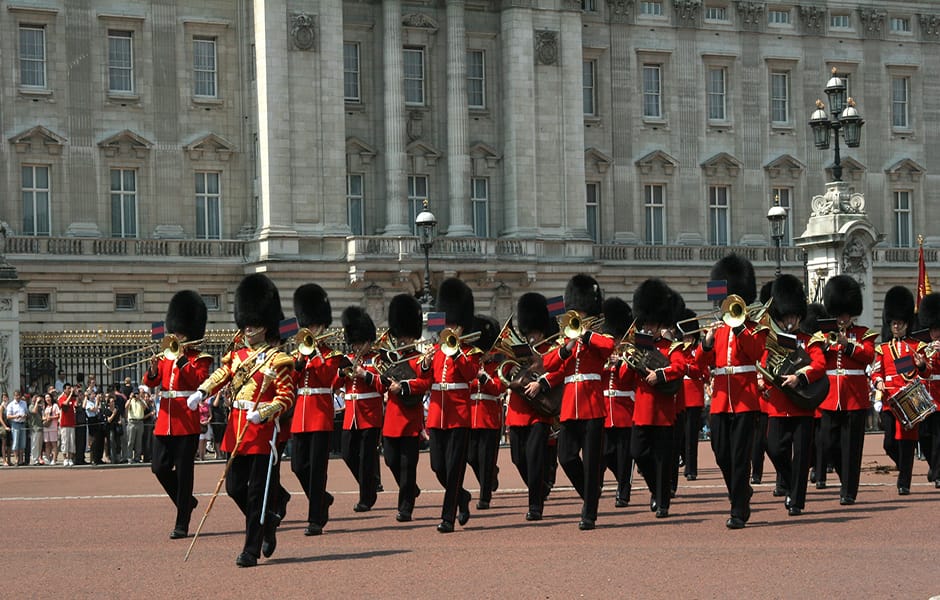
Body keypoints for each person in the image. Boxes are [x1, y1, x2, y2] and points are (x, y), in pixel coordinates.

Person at [191, 273, 295, 568]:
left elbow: (287, 398)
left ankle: (250, 549)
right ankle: (268, 521)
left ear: (266, 325)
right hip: (237, 426)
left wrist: (263, 412)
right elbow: (222, 375)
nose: (248, 328)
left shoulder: (278, 359)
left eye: (254, 323)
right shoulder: (237, 356)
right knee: (235, 487)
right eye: (246, 323)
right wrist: (202, 391)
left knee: (255, 493)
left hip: (261, 430)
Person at [542, 274, 615, 530]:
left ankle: (589, 513)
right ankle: (590, 496)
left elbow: (609, 346)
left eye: (582, 313)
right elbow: (548, 363)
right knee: (566, 457)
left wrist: (586, 337)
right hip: (570, 406)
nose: (578, 318)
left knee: (593, 461)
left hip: (592, 404)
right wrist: (567, 346)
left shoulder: (597, 335)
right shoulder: (567, 339)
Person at [701, 254, 767, 529]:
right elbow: (700, 365)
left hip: (744, 399)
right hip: (720, 401)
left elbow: (756, 352)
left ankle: (738, 509)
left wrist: (740, 329)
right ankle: (741, 492)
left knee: (740, 456)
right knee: (720, 452)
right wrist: (705, 344)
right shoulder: (716, 331)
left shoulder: (753, 328)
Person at [142, 290, 213, 539]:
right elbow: (152, 383)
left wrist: (183, 361)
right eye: (176, 331)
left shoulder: (200, 358)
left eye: (181, 333)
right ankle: (187, 502)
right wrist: (152, 370)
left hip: (187, 421)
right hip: (165, 420)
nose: (177, 336)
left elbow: (198, 381)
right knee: (159, 468)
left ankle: (182, 520)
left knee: (184, 473)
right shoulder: (165, 356)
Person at [760, 274, 827, 516]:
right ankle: (791, 483)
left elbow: (819, 365)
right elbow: (765, 367)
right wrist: (763, 385)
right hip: (778, 405)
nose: (790, 321)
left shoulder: (809, 341)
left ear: (799, 316)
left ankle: (796, 500)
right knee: (774, 448)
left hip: (801, 405)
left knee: (801, 455)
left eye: (793, 316)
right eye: (786, 316)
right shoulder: (773, 342)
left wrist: (800, 377)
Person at [419, 277, 481, 533]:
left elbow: (469, 375)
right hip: (437, 415)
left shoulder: (469, 352)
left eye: (455, 325)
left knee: (454, 468)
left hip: (458, 415)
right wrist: (424, 362)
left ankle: (447, 517)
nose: (451, 329)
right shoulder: (437, 351)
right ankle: (462, 497)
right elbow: (425, 379)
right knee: (438, 467)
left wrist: (456, 353)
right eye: (449, 325)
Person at [625, 279, 686, 519]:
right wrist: (624, 362)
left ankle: (662, 503)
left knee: (662, 459)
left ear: (660, 323)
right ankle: (655, 490)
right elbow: (624, 376)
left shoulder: (670, 346)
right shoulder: (637, 345)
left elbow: (680, 367)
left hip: (662, 411)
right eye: (646, 323)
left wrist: (659, 374)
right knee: (638, 453)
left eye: (652, 323)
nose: (648, 327)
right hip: (641, 410)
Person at [502, 293, 561, 521]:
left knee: (535, 457)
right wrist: (508, 369)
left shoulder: (550, 348)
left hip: (539, 412)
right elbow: (504, 372)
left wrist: (541, 382)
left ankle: (535, 505)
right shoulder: (517, 348)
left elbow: (559, 372)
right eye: (529, 333)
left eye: (534, 333)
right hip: (517, 411)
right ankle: (540, 485)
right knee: (519, 459)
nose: (532, 337)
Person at [818, 276, 877, 505]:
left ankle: (849, 491)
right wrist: (823, 349)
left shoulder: (864, 334)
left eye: (845, 314)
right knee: (828, 444)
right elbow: (816, 362)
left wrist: (847, 344)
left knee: (852, 448)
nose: (842, 318)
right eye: (839, 313)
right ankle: (846, 480)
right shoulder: (823, 336)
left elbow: (868, 355)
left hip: (854, 397)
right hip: (830, 397)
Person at [289, 283, 342, 535]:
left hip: (320, 414)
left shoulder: (332, 355)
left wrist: (316, 355)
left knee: (318, 469)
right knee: (298, 466)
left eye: (313, 326)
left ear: (321, 327)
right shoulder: (298, 354)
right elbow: (291, 382)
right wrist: (298, 365)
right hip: (301, 414)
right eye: (306, 325)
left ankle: (315, 519)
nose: (309, 330)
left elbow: (328, 379)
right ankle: (322, 498)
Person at [871, 286, 926, 495]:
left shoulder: (916, 346)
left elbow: (926, 372)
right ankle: (904, 467)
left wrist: (921, 365)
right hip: (889, 401)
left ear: (906, 324)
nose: (896, 326)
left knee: (907, 442)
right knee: (889, 443)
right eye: (893, 323)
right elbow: (877, 372)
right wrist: (878, 383)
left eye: (900, 323)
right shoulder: (883, 349)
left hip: (909, 399)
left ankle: (904, 482)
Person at [381, 294, 427, 522]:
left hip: (410, 418)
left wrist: (405, 387)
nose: (403, 340)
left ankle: (405, 507)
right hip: (392, 418)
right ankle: (410, 490)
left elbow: (426, 382)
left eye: (407, 336)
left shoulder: (420, 359)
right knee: (390, 460)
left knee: (408, 466)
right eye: (401, 337)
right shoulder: (392, 359)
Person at [339, 306, 384, 512]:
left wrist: (364, 374)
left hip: (370, 413)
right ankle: (370, 484)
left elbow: (383, 384)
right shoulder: (347, 359)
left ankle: (366, 498)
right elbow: (333, 384)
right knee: (348, 454)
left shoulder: (377, 359)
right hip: (351, 414)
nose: (357, 348)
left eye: (360, 343)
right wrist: (341, 374)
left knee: (367, 457)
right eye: (354, 343)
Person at [600, 297, 636, 507]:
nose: (614, 342)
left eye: (616, 338)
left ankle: (623, 491)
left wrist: (622, 362)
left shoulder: (629, 353)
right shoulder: (601, 353)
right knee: (606, 454)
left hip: (624, 412)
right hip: (605, 412)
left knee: (625, 457)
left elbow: (626, 379)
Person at [467, 315, 504, 510]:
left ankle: (484, 497)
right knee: (471, 457)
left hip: (489, 416)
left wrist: (482, 377)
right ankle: (490, 476)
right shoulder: (471, 363)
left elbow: (498, 388)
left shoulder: (497, 365)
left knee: (485, 457)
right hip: (470, 416)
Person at [678, 308, 709, 481]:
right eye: (685, 337)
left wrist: (689, 366)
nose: (687, 340)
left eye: (689, 337)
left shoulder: (697, 351)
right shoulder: (678, 350)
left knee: (691, 437)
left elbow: (704, 373)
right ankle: (683, 458)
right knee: (681, 435)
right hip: (680, 397)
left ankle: (691, 469)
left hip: (694, 398)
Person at [918, 292, 940, 489]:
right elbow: (907, 370)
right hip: (925, 397)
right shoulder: (922, 347)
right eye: (933, 330)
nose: (936, 334)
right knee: (924, 436)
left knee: (938, 437)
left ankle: (938, 472)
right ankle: (934, 466)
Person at [6, 391, 29, 466]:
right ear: (14, 396)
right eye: (16, 395)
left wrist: (25, 415)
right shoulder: (11, 405)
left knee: (22, 442)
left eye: (19, 395)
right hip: (15, 424)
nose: (18, 397)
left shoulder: (24, 403)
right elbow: (8, 416)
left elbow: (26, 413)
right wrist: (16, 416)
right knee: (16, 442)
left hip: (22, 423)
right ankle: (16, 459)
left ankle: (21, 460)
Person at [57, 384, 78, 466]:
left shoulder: (73, 399)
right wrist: (70, 395)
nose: (70, 390)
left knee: (72, 442)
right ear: (64, 390)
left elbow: (76, 404)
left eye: (70, 388)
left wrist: (76, 393)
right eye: (68, 388)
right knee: (65, 442)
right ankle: (65, 458)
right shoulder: (61, 398)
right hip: (64, 423)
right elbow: (64, 404)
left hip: (71, 423)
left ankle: (70, 458)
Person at [125, 391, 147, 463]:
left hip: (140, 422)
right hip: (132, 422)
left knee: (138, 442)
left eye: (137, 394)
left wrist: (140, 399)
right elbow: (126, 407)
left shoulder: (141, 401)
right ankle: (129, 457)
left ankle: (137, 457)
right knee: (130, 441)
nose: (136, 395)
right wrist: (130, 398)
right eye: (135, 394)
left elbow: (145, 408)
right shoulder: (130, 401)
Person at [42, 393, 60, 465]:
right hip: (46, 427)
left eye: (48, 397)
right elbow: (43, 417)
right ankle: (48, 458)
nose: (47, 399)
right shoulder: (45, 407)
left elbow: (58, 415)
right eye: (46, 398)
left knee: (54, 443)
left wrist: (51, 418)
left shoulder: (55, 406)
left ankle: (54, 459)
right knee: (47, 444)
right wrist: (45, 418)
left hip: (53, 427)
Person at [28, 393, 44, 465]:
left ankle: (38, 458)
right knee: (34, 444)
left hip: (41, 427)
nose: (36, 399)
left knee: (39, 445)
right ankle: (34, 459)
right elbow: (34, 411)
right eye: (35, 397)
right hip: (35, 428)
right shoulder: (31, 406)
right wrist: (37, 403)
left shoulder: (40, 407)